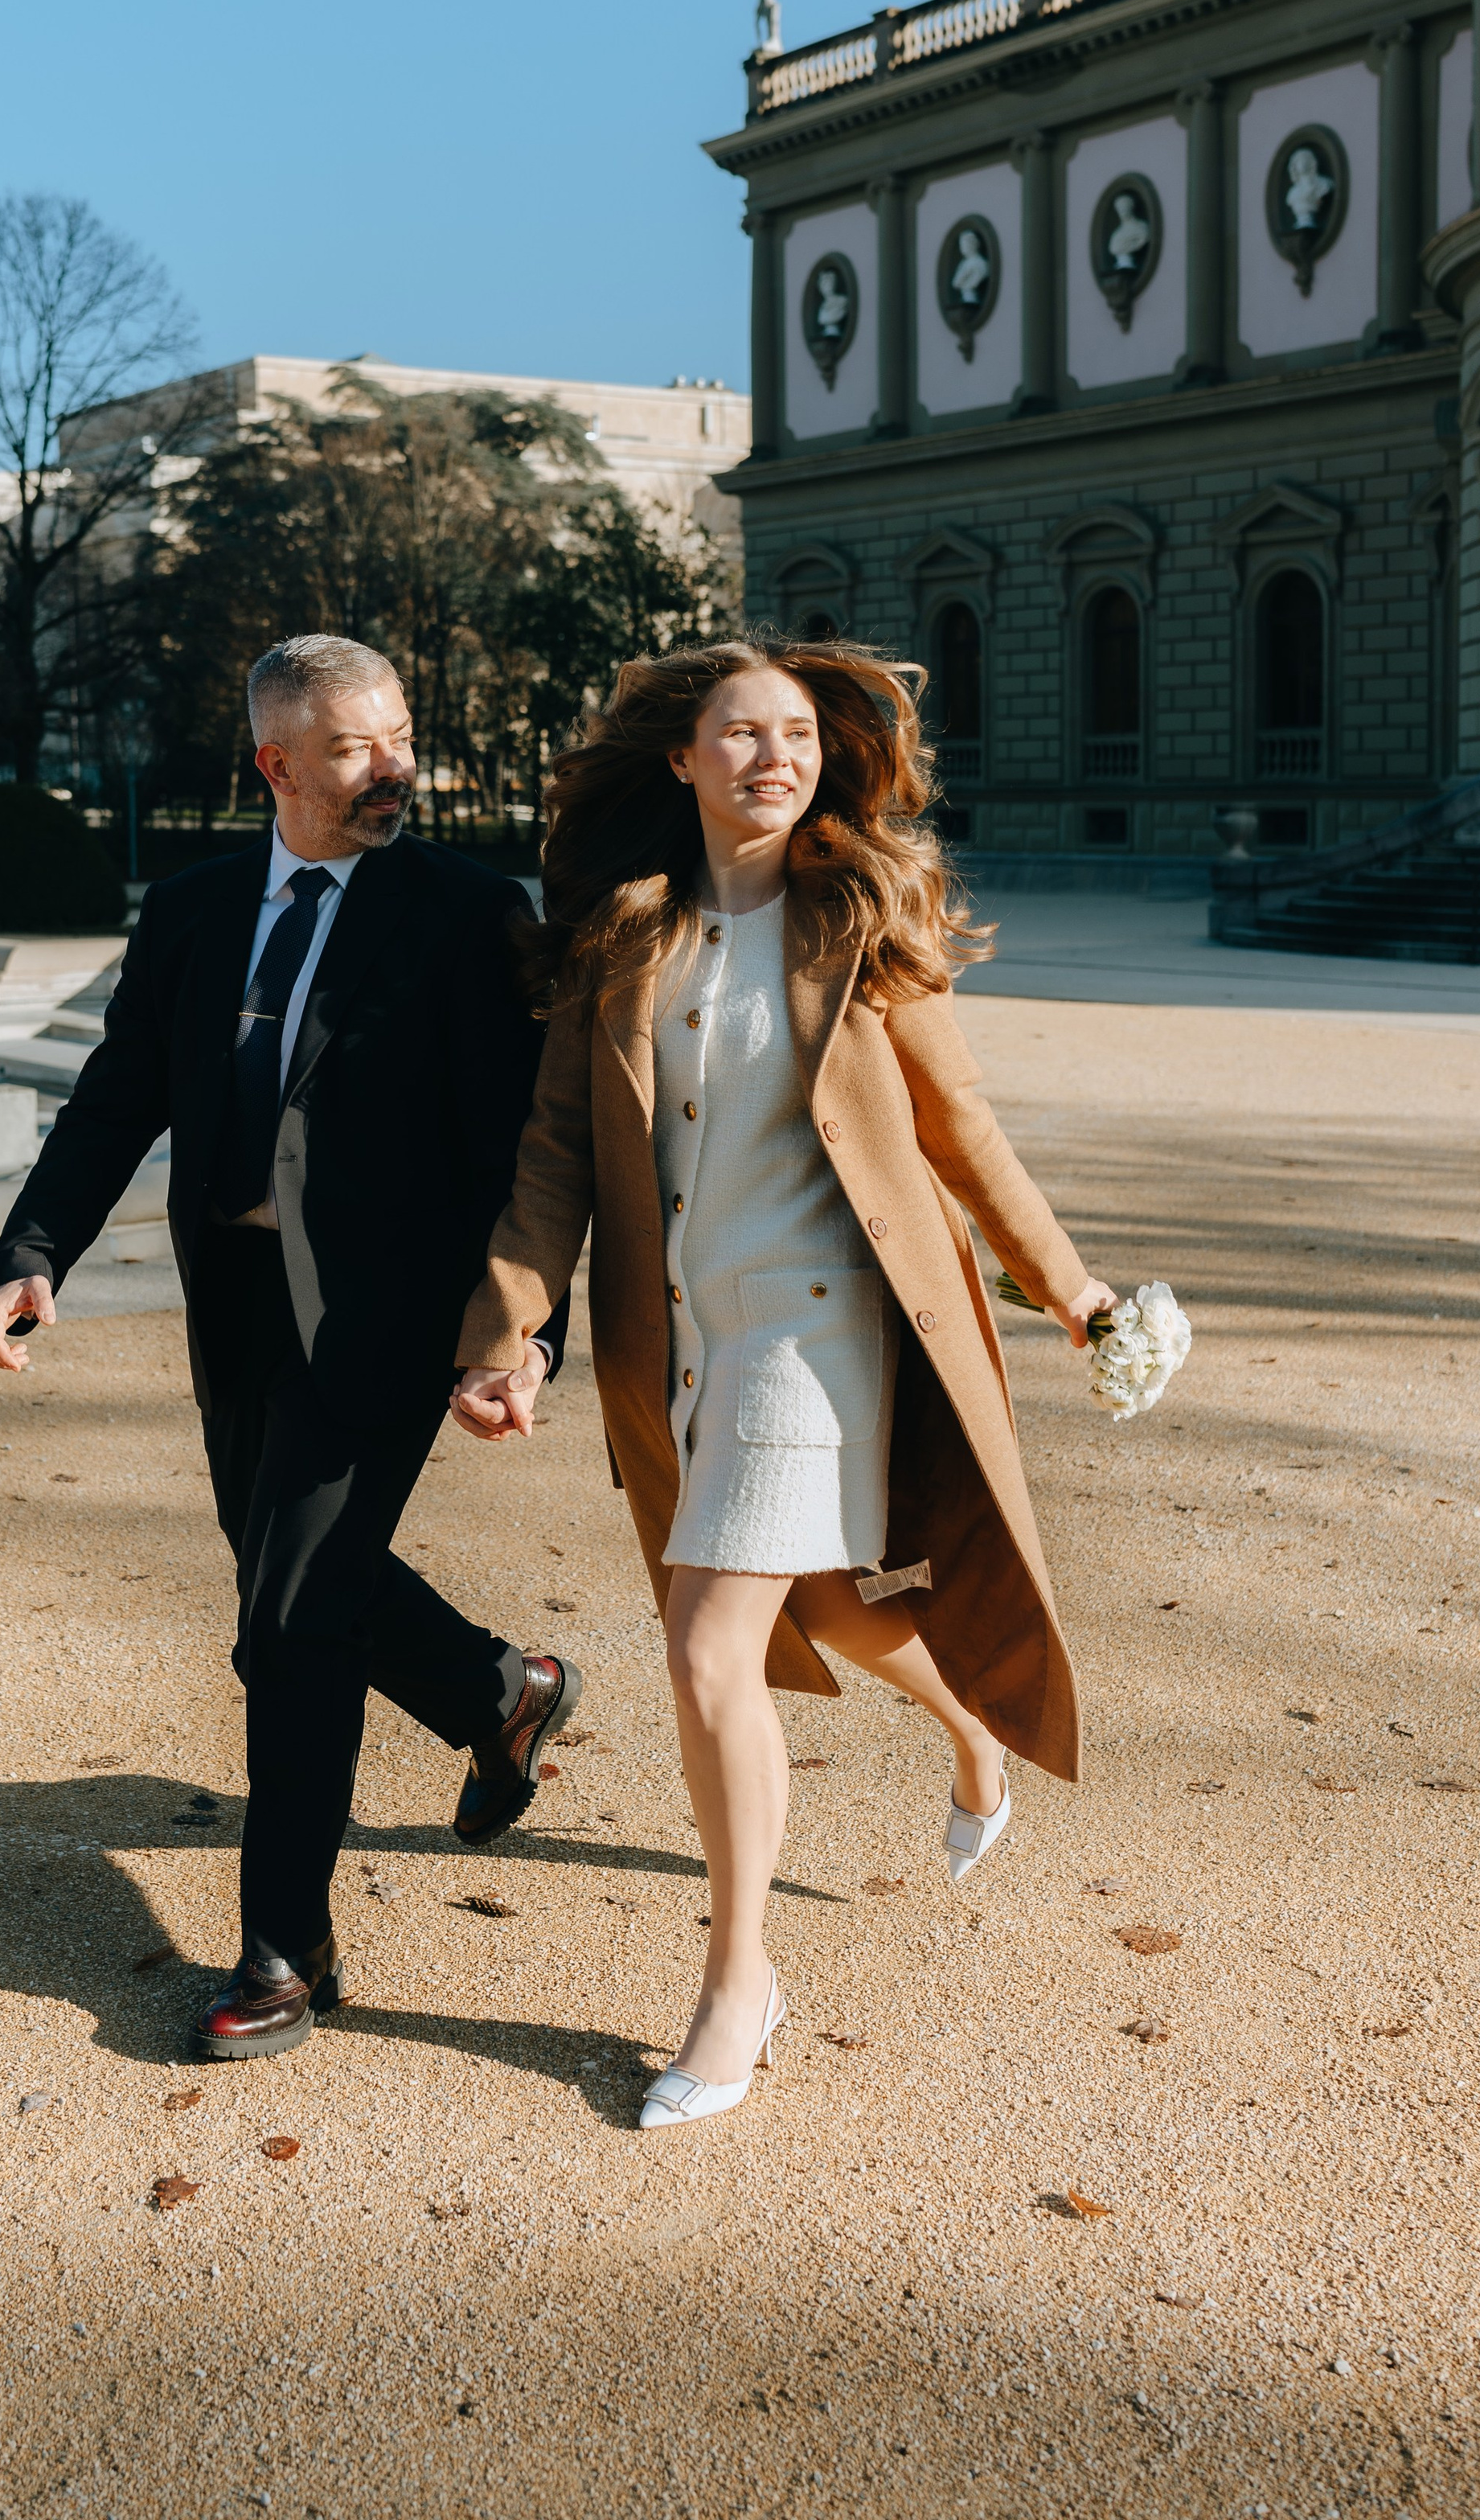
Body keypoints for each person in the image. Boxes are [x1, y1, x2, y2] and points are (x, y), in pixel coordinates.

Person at [450, 638, 1110, 2132]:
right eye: (741, 733)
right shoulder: (622, 938)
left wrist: (1070, 1287)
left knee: (705, 1651)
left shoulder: (857, 924)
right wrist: (504, 1335)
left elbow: (961, 1130)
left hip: (815, 1337)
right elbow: (554, 1159)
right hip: (681, 1341)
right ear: (683, 760)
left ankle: (738, 1979)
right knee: (832, 1610)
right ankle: (971, 1732)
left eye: (798, 734)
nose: (775, 756)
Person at [0, 635, 577, 2060]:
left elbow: (530, 1152)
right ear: (277, 763)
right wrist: (33, 1250)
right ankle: (500, 1691)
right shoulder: (190, 908)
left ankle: (285, 1951)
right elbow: (120, 1091)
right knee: (291, 1582)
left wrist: (522, 1336)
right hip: (236, 1302)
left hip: (389, 1314)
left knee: (293, 1623)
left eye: (403, 736)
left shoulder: (468, 912)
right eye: (357, 748)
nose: (395, 768)